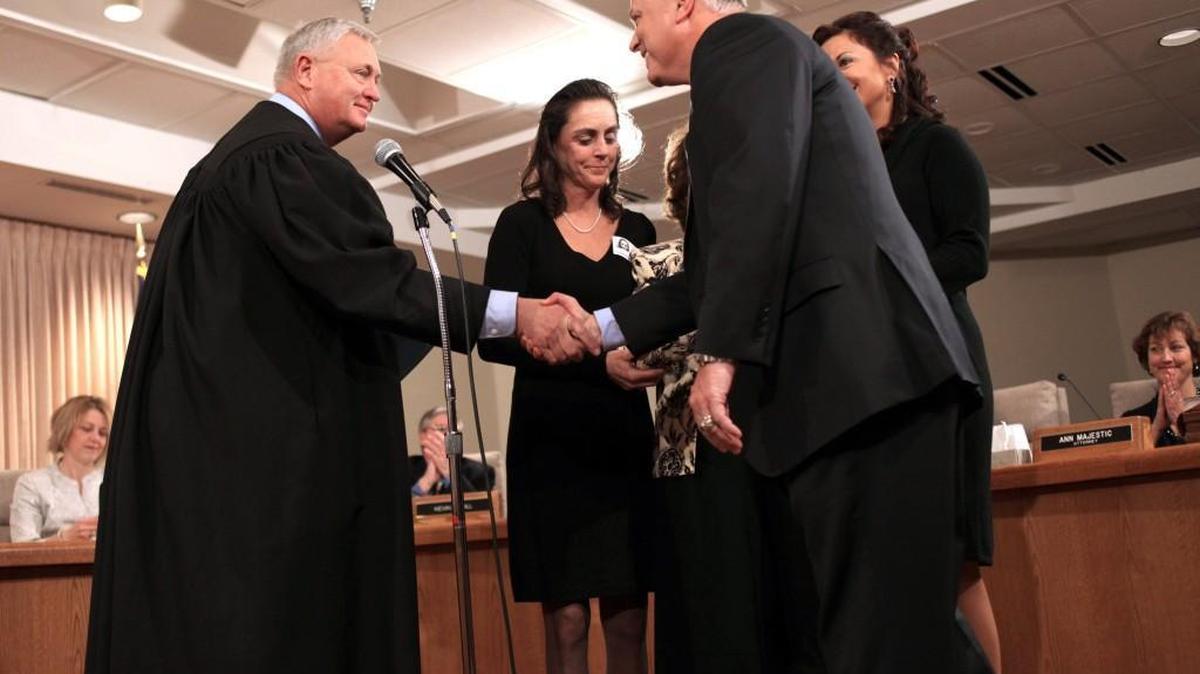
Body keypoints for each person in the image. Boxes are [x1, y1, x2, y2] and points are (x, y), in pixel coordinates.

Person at [85, 17, 582, 674]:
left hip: (221, 462)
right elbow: (367, 281)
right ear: (305, 69)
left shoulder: (235, 164)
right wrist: (511, 314)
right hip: (273, 473)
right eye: (363, 72)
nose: (375, 91)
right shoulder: (279, 160)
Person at [545, 1, 988, 671]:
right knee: (905, 636)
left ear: (685, 4)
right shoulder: (746, 72)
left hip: (862, 384)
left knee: (880, 641)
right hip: (862, 390)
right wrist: (603, 328)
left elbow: (760, 189)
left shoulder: (740, 43)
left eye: (638, 13)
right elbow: (712, 268)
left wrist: (721, 349)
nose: (633, 36)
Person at [814, 12, 1000, 672]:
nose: (832, 80)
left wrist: (885, 287)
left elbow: (968, 253)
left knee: (951, 562)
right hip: (872, 378)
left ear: (890, 67)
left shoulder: (936, 148)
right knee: (895, 567)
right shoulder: (832, 167)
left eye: (845, 64)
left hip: (943, 367)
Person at [478, 78, 658, 674]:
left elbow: (654, 324)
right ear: (553, 146)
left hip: (624, 440)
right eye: (586, 137)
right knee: (568, 623)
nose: (602, 149)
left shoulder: (640, 232)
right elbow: (494, 340)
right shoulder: (519, 226)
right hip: (551, 441)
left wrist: (653, 360)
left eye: (610, 136)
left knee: (630, 619)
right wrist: (593, 357)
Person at [613, 126, 765, 673]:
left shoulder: (756, 254)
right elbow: (651, 348)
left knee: (754, 590)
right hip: (683, 451)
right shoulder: (656, 261)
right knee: (698, 599)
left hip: (751, 438)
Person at [9, 396, 109, 543]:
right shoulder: (32, 484)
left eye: (102, 433)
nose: (96, 438)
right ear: (64, 431)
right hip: (52, 565)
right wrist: (63, 538)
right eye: (87, 429)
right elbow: (21, 547)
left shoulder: (115, 484)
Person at [1123, 310, 1199, 446]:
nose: (1166, 358)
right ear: (1147, 360)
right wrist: (1157, 428)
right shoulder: (1132, 420)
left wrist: (1181, 423)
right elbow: (1129, 465)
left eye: (1176, 347)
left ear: (1194, 355)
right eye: (1155, 349)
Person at [408, 406, 493, 495]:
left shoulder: (482, 472)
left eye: (455, 432)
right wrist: (425, 483)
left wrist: (450, 473)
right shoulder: (405, 468)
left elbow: (477, 506)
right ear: (423, 436)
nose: (450, 438)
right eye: (442, 429)